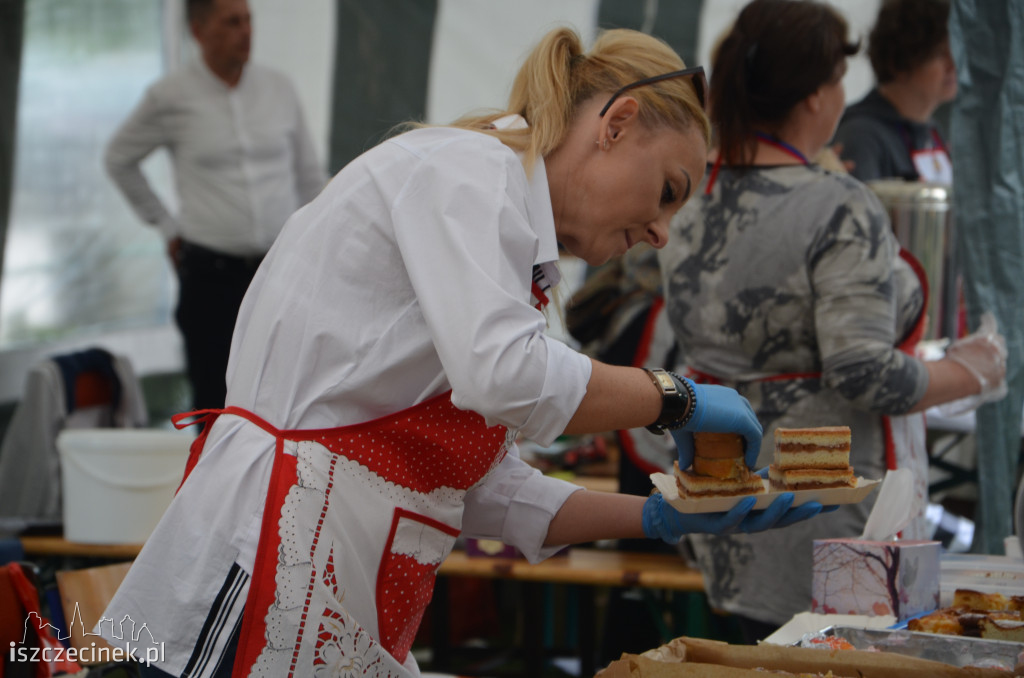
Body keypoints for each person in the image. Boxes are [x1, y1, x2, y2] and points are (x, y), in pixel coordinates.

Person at [100, 26, 831, 677]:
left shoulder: (502, 235)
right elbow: (508, 377)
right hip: (266, 566)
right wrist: (675, 396)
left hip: (331, 575)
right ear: (618, 124)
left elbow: (483, 486)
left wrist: (655, 519)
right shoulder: (469, 173)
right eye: (668, 190)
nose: (662, 231)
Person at [657, 0, 1007, 643]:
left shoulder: (689, 191)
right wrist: (972, 371)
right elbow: (865, 373)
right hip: (827, 513)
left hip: (723, 488)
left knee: (748, 649)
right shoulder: (838, 205)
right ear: (817, 95)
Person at [104, 0, 327, 411]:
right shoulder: (170, 96)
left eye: (248, 20)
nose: (246, 31)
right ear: (199, 31)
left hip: (278, 271)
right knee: (216, 402)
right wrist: (166, 225)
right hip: (211, 275)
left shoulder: (278, 88)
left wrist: (320, 245)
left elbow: (309, 176)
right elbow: (119, 159)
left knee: (286, 396)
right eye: (232, 22)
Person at [832, 0, 956, 183]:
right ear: (899, 61)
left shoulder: (931, 131)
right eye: (939, 54)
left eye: (955, 50)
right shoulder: (862, 136)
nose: (953, 65)